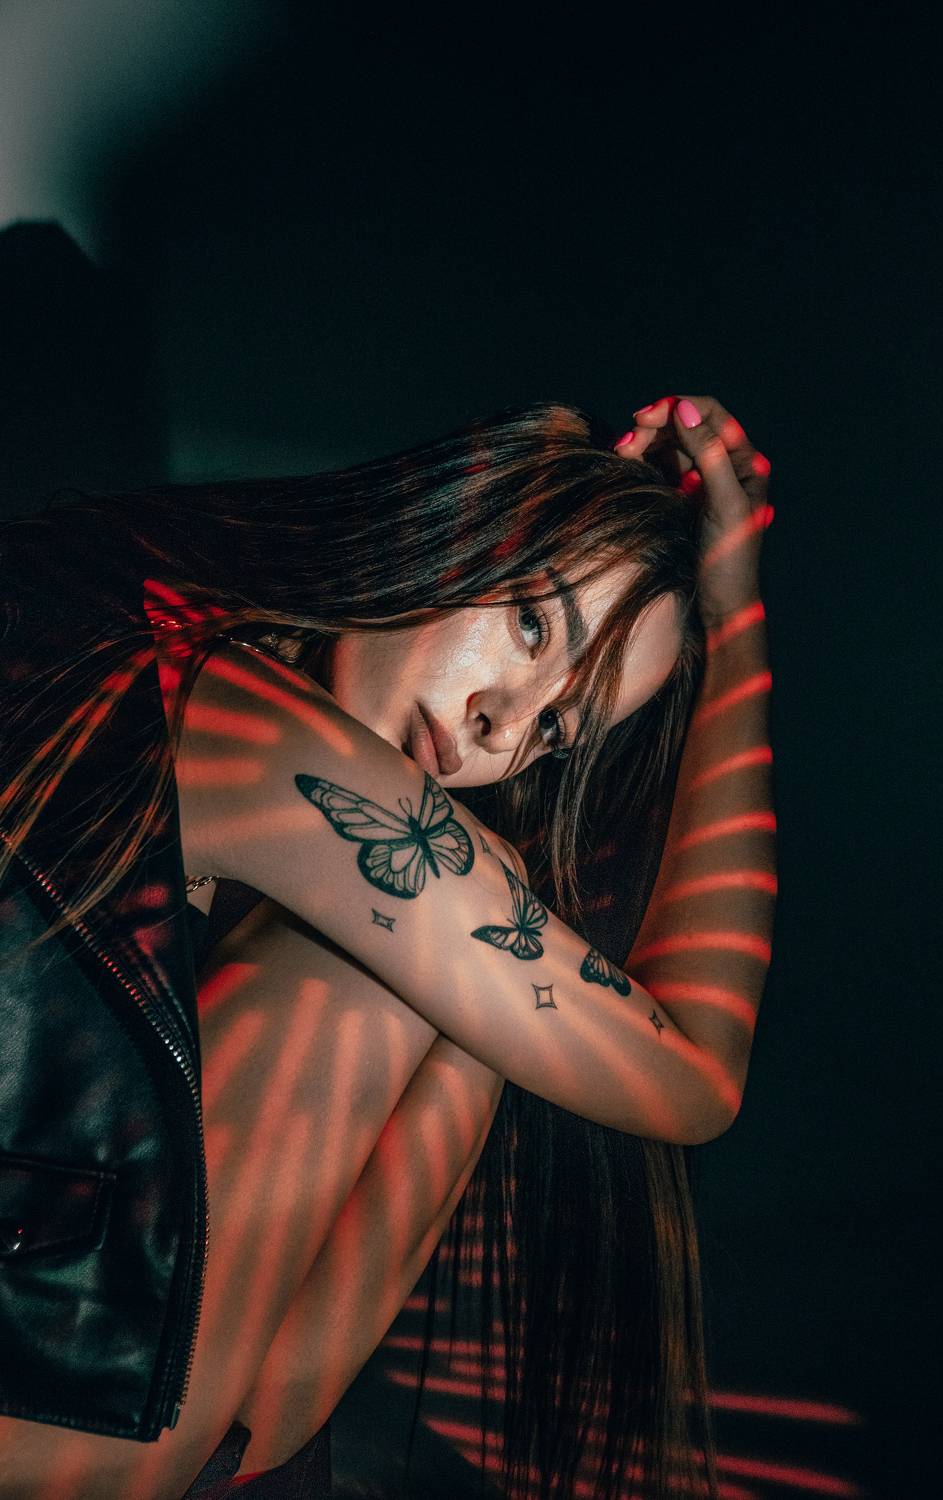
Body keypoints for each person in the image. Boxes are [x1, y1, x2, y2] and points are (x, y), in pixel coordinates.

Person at [0, 393, 775, 1499]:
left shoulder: (175, 641)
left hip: (112, 1412)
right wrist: (737, 621)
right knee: (443, 940)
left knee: (462, 972)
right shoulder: (228, 715)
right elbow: (695, 1072)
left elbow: (276, 1403)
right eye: (532, 626)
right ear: (458, 521)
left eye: (557, 730)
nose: (502, 725)